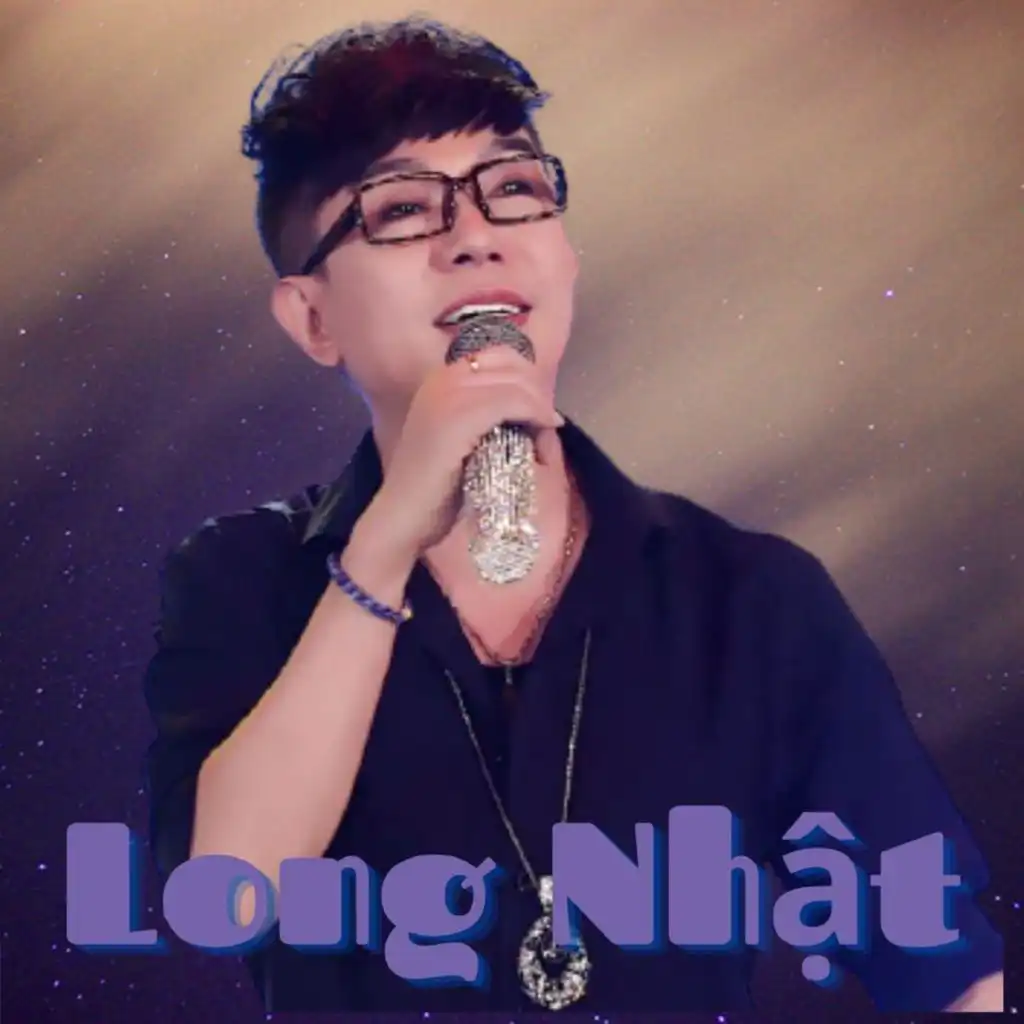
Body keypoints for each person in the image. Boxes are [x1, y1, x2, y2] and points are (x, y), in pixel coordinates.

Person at [142, 16, 1003, 1014]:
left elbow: (941, 962)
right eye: (401, 209)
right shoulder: (243, 575)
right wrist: (382, 546)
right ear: (313, 318)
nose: (476, 237)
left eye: (513, 190)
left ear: (564, 254)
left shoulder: (750, 599)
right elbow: (226, 897)